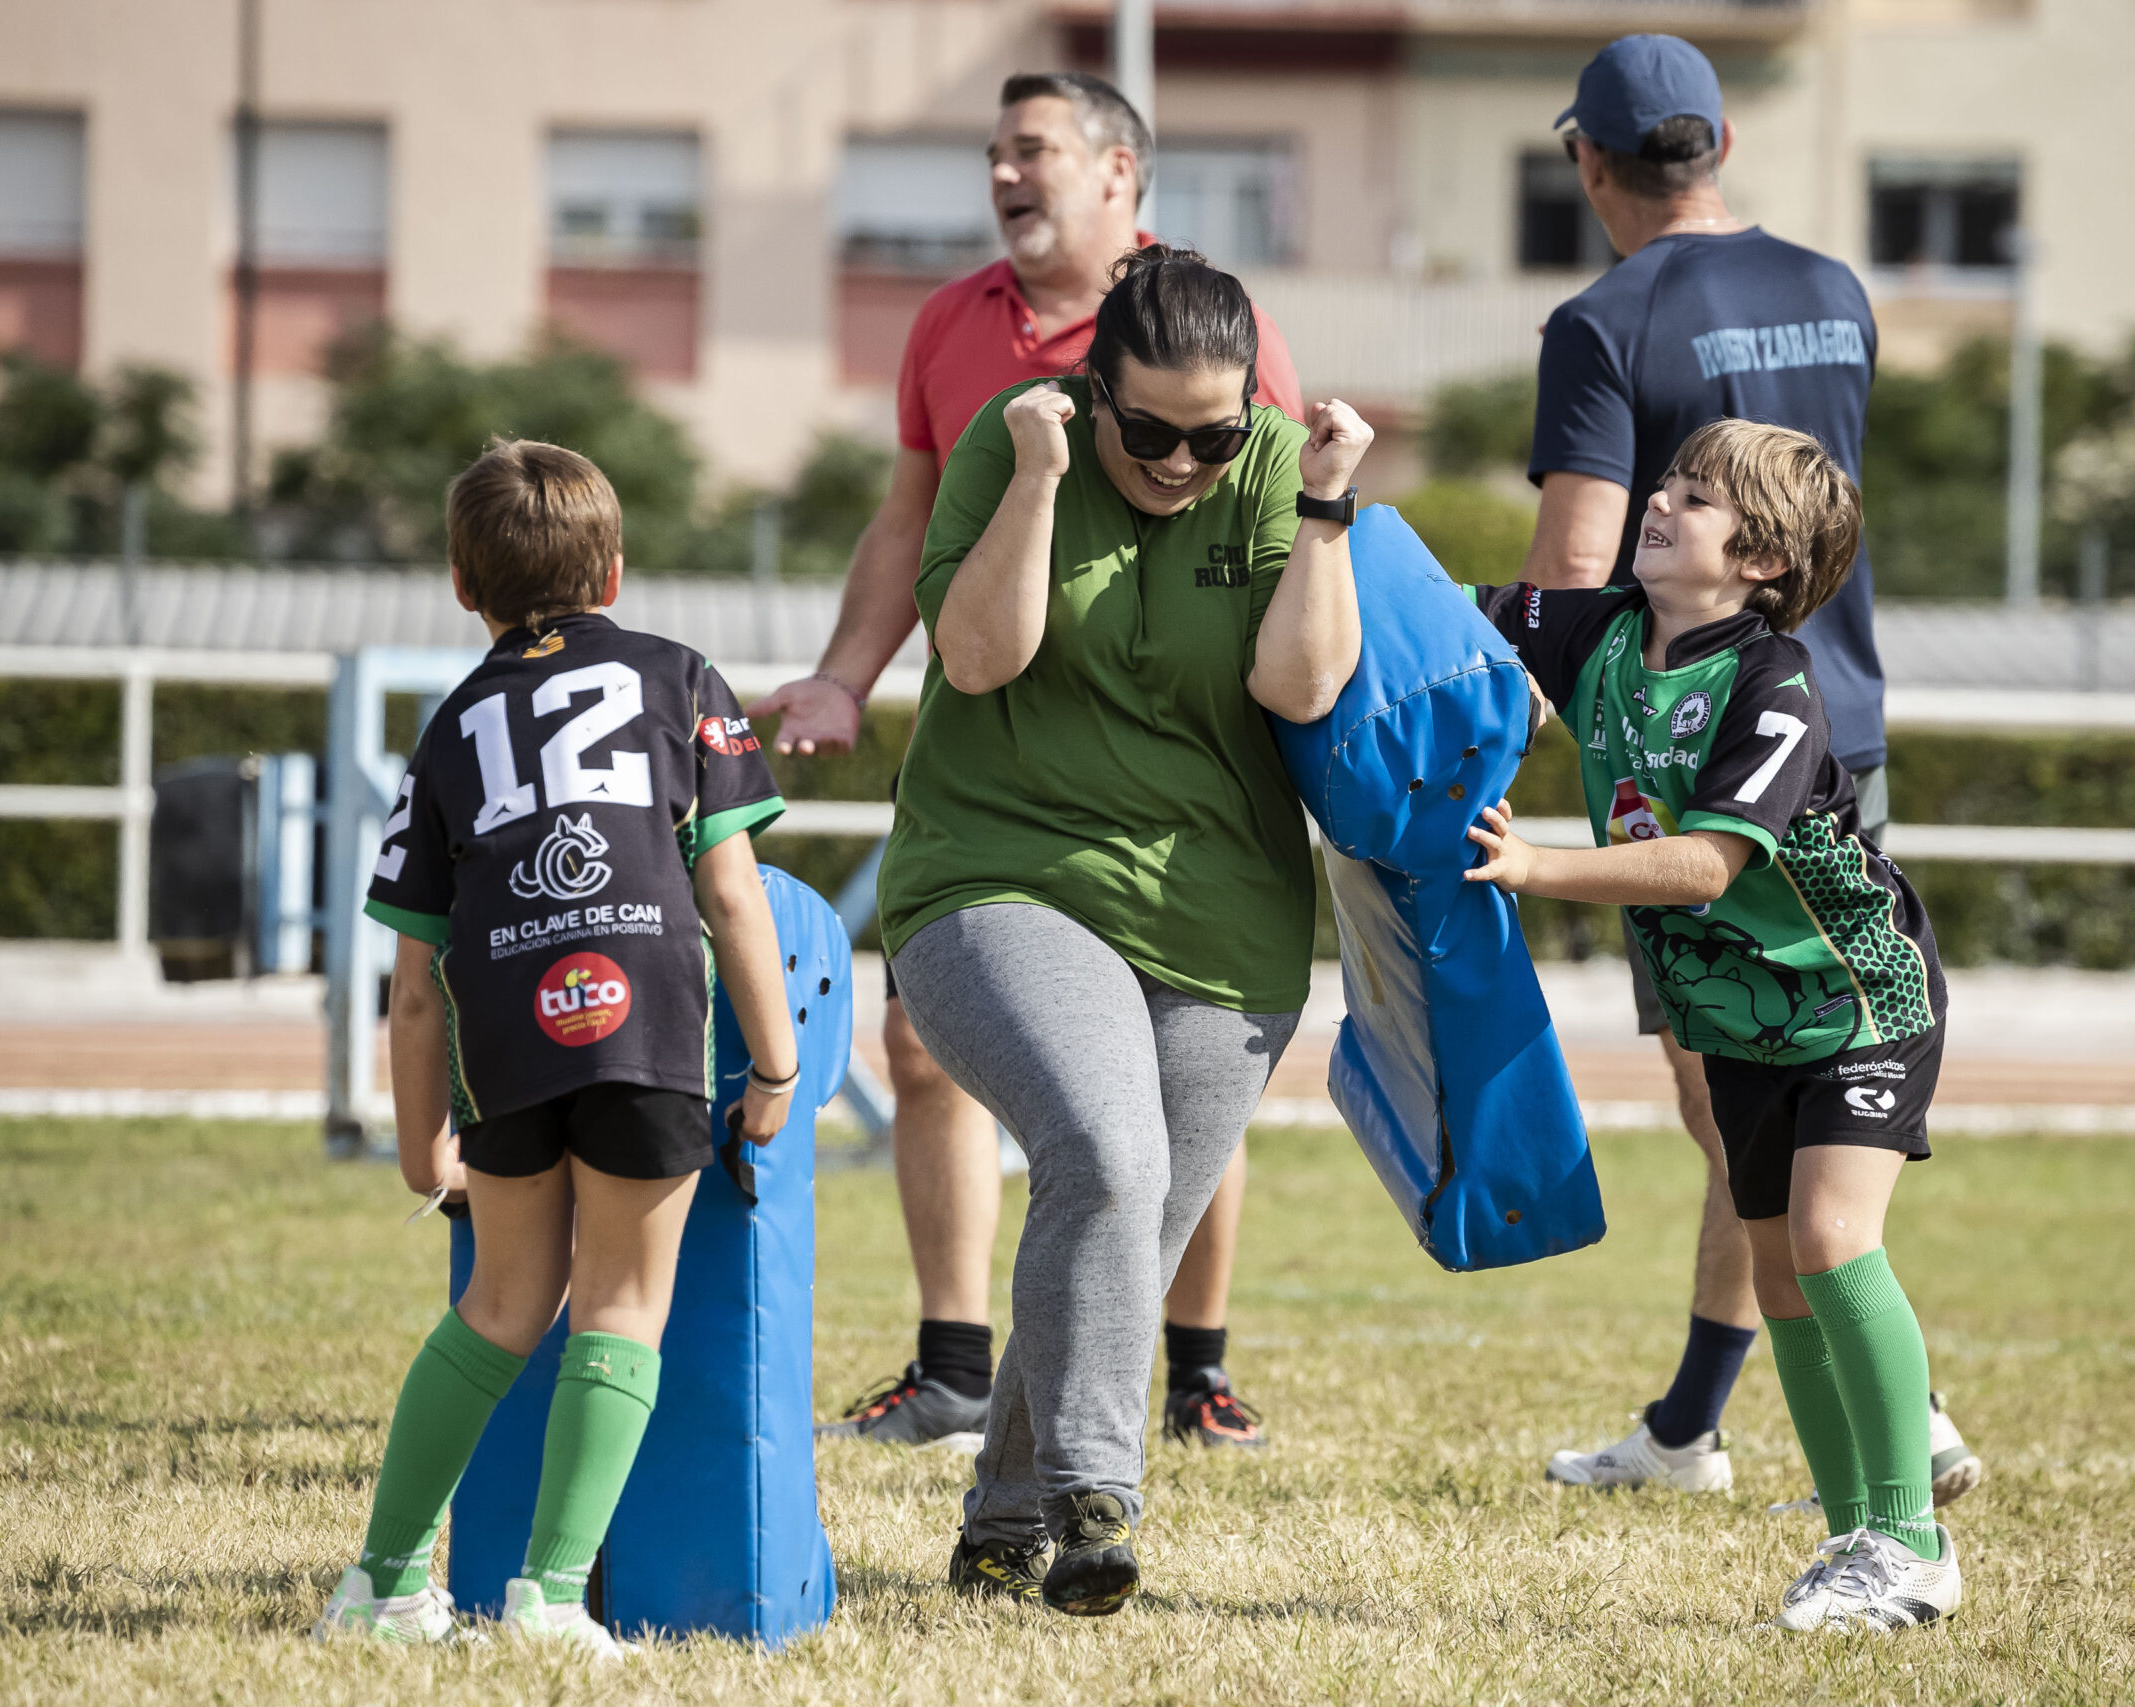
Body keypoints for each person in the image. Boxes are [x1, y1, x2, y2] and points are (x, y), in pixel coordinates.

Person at [748, 71, 1304, 1452]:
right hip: (998, 779)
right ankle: (952, 1363)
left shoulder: (1217, 328)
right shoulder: (950, 323)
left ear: (1119, 171)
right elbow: (907, 521)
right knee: (927, 1042)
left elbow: (1287, 541)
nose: (1005, 173)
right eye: (995, 152)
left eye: (1033, 149)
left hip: (1180, 815)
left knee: (1171, 1091)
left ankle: (1192, 1364)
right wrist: (843, 674)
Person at [1520, 33, 1980, 1503]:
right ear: (1718, 143)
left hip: (1695, 741)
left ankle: (1879, 1417)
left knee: (1739, 1082)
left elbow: (1572, 569)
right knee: (1788, 1065)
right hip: (1838, 722)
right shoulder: (1836, 288)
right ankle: (1692, 1423)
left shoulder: (1605, 315)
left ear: (1589, 162)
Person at [879, 246, 1370, 1613]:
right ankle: (1097, 1493)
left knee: (1123, 1226)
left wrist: (1325, 507)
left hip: (1225, 912)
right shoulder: (1012, 440)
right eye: (1147, 433)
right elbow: (978, 655)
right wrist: (1040, 480)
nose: (1181, 462)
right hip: (1000, 870)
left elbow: (1301, 684)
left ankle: (1000, 1527)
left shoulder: (1277, 466)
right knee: (1104, 1151)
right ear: (1093, 391)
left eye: (1213, 435)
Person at [1471, 418, 1964, 1634]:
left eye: (1695, 498)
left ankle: (1911, 1545)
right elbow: (1436, 613)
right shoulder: (1596, 632)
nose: (1657, 501)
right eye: (1667, 483)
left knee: (1830, 1241)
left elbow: (1700, 865)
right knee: (1780, 1277)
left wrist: (1535, 867)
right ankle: (1853, 1536)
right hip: (1736, 1021)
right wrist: (1321, 512)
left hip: (1855, 997)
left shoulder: (1769, 683)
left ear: (1763, 561)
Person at [314, 441, 802, 1655]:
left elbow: (414, 987)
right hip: (640, 1022)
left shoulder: (451, 728)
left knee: (498, 1306)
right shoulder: (679, 676)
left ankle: (380, 1586)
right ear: (616, 572)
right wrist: (778, 1068)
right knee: (621, 1307)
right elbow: (732, 893)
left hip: (507, 1034)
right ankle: (547, 1596)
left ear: (461, 586)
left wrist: (420, 1149)